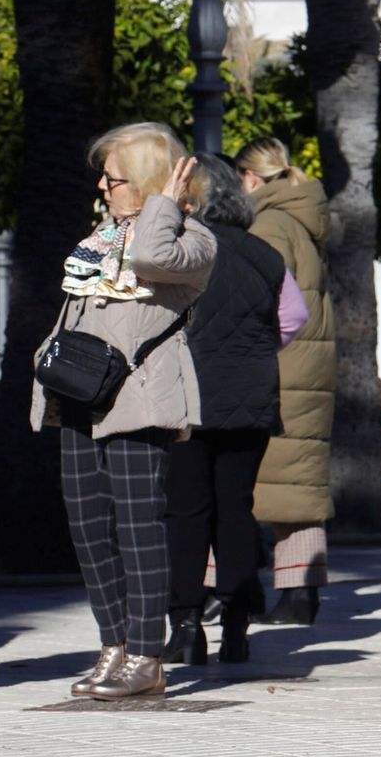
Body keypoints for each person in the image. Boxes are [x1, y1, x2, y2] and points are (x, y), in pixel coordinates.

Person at [30, 123, 213, 699]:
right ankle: (113, 644)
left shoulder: (192, 240)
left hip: (139, 399)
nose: (103, 188)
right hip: (78, 396)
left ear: (149, 181)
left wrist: (163, 205)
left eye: (114, 179)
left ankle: (147, 655)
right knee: (87, 527)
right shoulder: (102, 239)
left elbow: (154, 258)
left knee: (138, 528)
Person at [161, 154, 300, 665]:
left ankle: (185, 626)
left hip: (186, 396)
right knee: (236, 509)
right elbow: (294, 318)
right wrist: (253, 351)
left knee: (186, 512)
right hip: (250, 393)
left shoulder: (181, 250)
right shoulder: (264, 254)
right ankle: (237, 628)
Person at [236, 138, 333, 627]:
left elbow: (261, 300)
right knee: (297, 482)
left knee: (272, 485)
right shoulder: (300, 219)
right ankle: (301, 591)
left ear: (250, 178)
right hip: (307, 367)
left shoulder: (269, 224)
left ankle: (289, 593)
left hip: (280, 366)